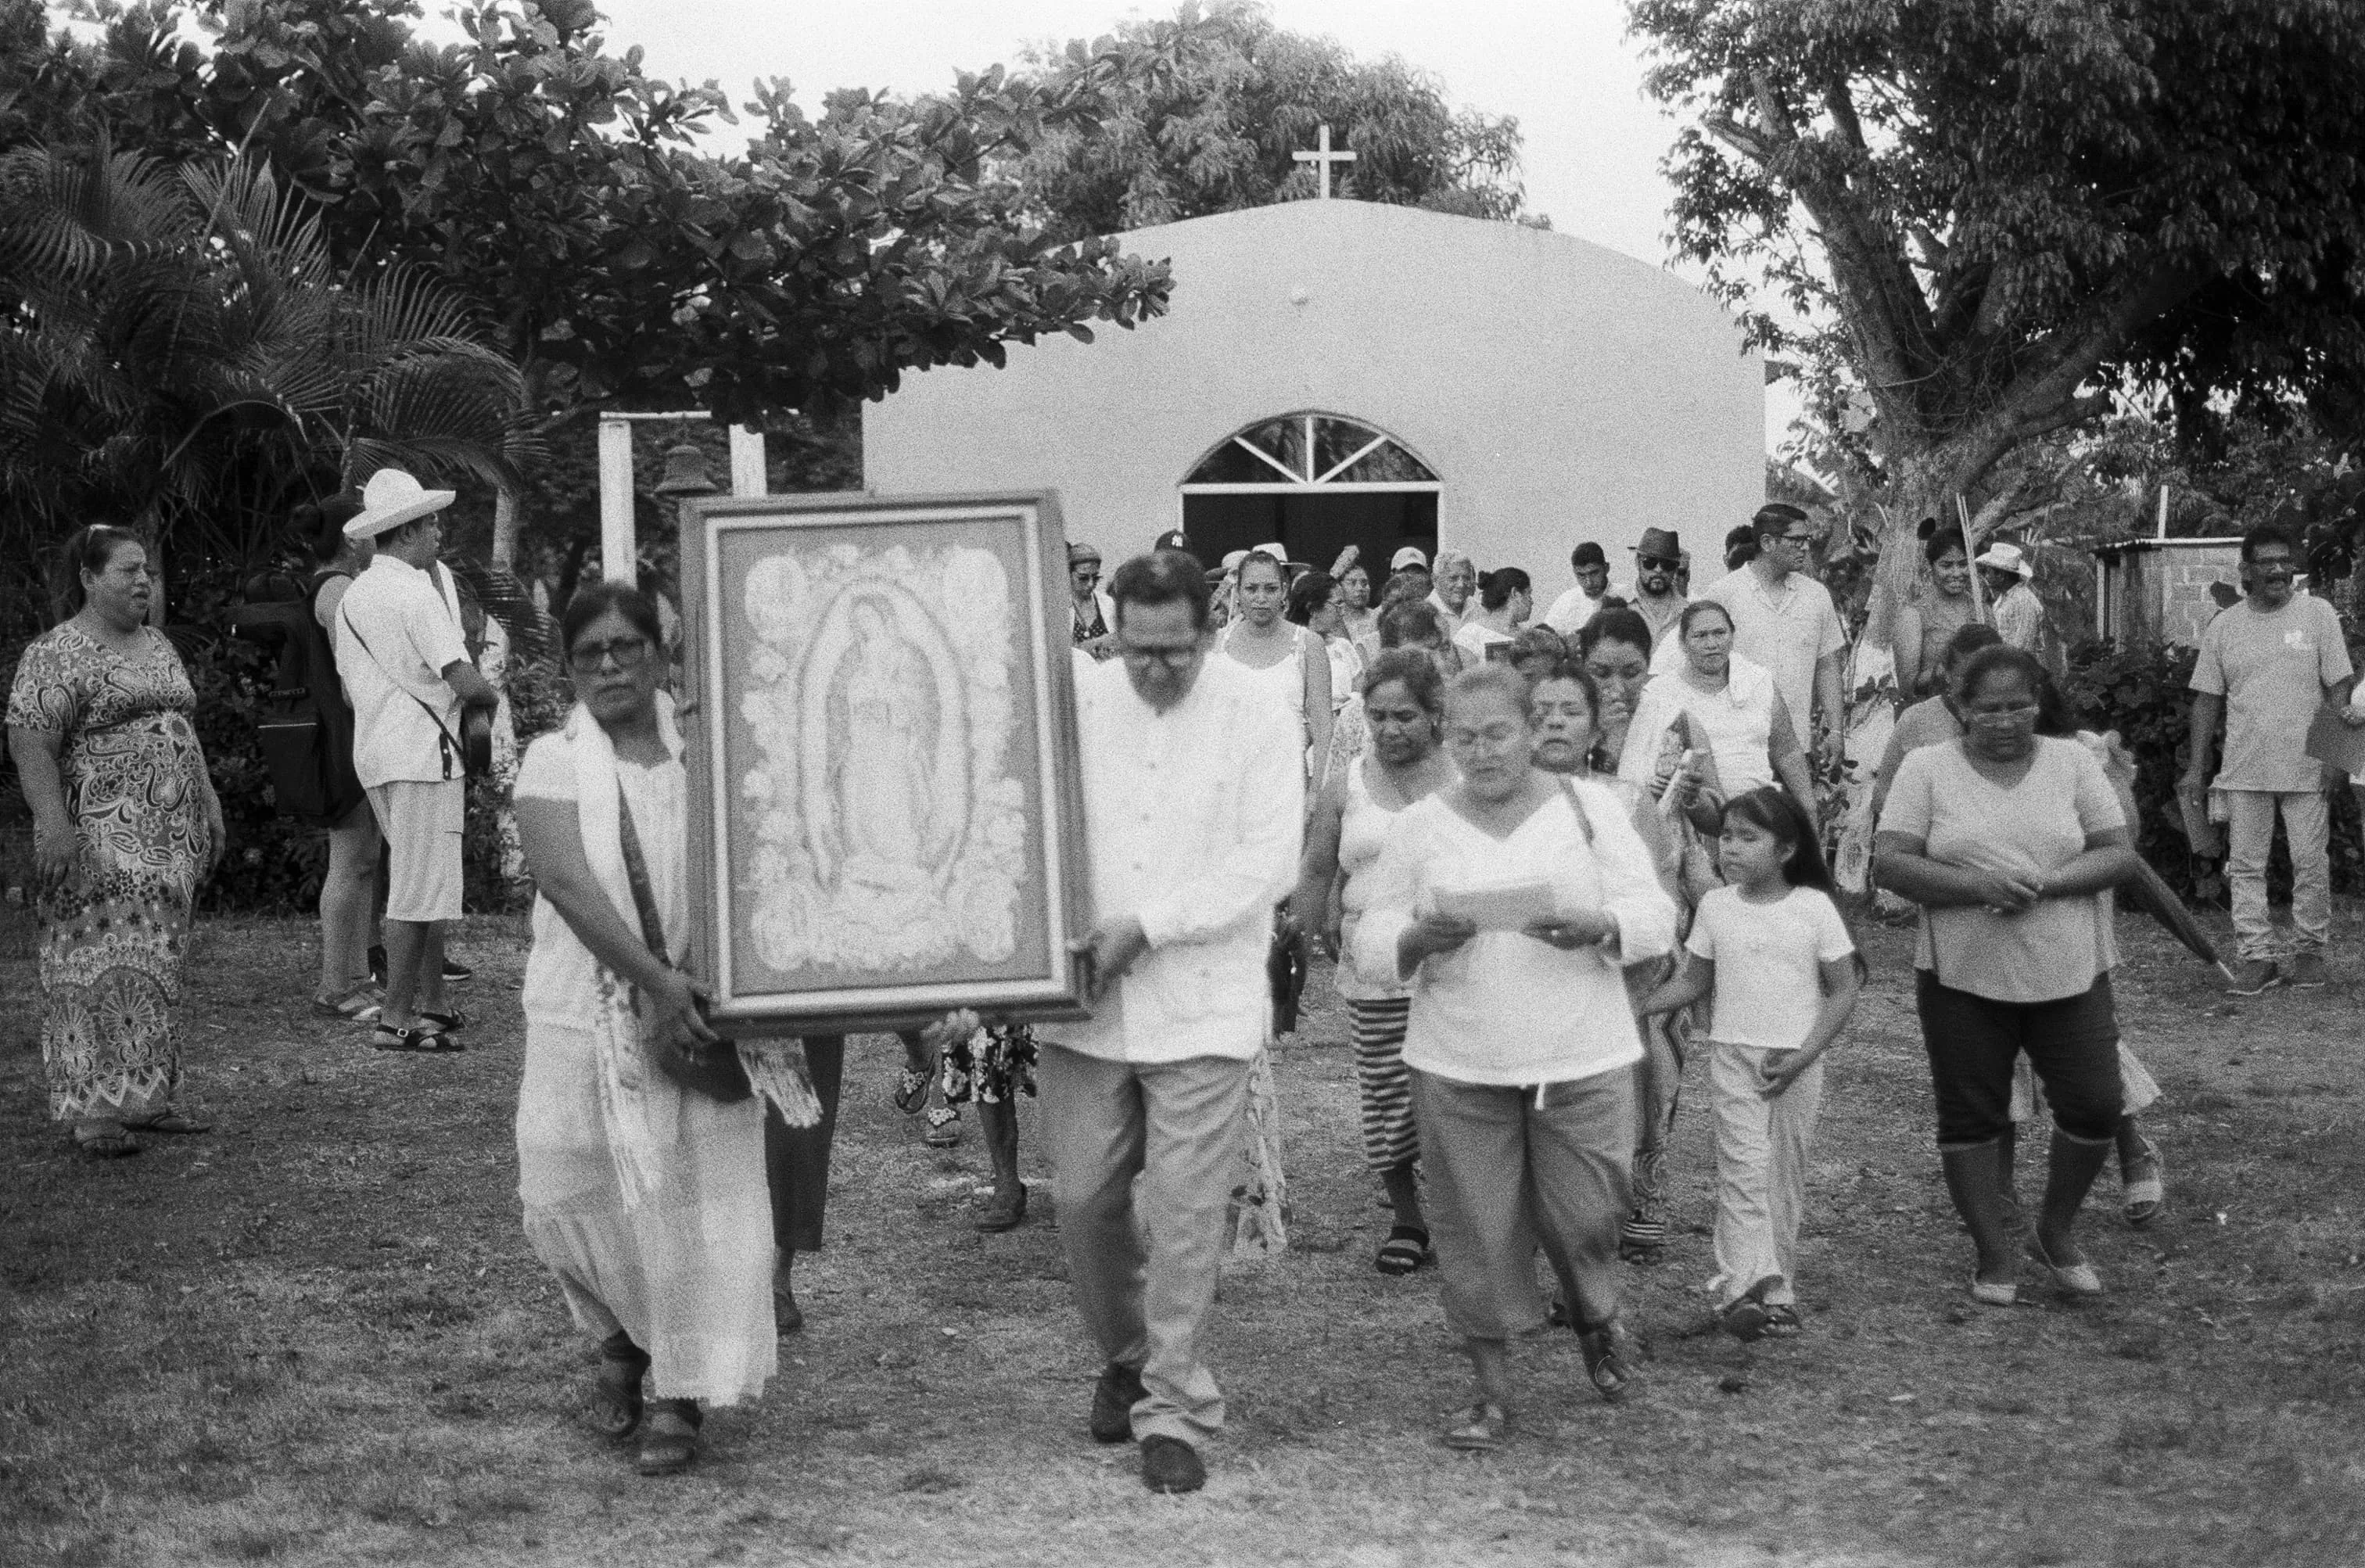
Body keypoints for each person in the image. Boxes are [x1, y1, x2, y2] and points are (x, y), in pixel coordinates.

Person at [1355, 666, 1675, 1449]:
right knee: (1475, 1227)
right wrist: (1415, 938)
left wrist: (1601, 923)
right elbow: (1372, 932)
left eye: (1498, 732)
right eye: (1464, 736)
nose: (1482, 750)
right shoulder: (1420, 825)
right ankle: (1491, 1390)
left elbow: (1655, 912)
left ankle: (1595, 1311)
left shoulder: (1590, 807)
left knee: (1585, 1214)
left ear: (1531, 730)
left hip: (1580, 1050)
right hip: (1459, 1055)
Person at [1045, 550, 1302, 1494]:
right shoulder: (1078, 700)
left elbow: (1269, 860)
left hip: (1204, 1001)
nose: (1155, 669)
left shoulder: (1257, 711)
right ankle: (1126, 1354)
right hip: (1087, 1004)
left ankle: (1173, 1409)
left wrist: (1150, 926)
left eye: (1176, 652)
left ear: (1209, 628)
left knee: (1189, 1217)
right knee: (1083, 1201)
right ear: (1113, 629)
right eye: (1137, 649)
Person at [510, 583, 775, 1476]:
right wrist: (650, 979)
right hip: (583, 1003)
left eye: (627, 647)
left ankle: (680, 1389)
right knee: (564, 1182)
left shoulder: (711, 751)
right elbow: (566, 883)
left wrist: (691, 985)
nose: (611, 665)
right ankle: (620, 1334)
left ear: (660, 656)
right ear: (569, 670)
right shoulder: (553, 760)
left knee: (688, 1195)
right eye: (590, 653)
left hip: (701, 1006)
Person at [1873, 645, 2140, 1305]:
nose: (2005, 720)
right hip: (1962, 974)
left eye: (2019, 705)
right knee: (1971, 1113)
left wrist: (2047, 882)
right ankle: (1993, 1250)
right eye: (1988, 708)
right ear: (1960, 708)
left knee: (2096, 1101)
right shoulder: (1926, 767)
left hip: (2068, 966)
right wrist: (1977, 885)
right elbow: (1892, 862)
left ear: (2038, 703)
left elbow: (2117, 854)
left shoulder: (2073, 761)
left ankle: (2055, 1228)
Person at [9, 525, 225, 1157]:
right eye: (128, 570)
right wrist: (54, 824)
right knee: (96, 963)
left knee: (157, 963)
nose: (143, 582)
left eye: (147, 572)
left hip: (169, 846)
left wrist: (209, 801)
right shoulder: (57, 652)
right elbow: (30, 743)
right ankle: (96, 1113)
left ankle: (147, 1097)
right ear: (88, 577)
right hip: (98, 843)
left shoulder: (158, 643)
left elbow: (181, 725)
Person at [1641, 788, 1861, 1339]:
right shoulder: (1716, 906)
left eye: (1748, 837)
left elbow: (1843, 989)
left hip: (1794, 1061)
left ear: (1785, 849)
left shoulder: (1813, 907)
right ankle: (1742, 1286)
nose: (1731, 848)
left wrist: (1805, 1054)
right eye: (1726, 836)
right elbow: (1694, 981)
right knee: (1741, 1169)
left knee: (1782, 1172)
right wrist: (1634, 1004)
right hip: (1732, 1056)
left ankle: (1778, 1290)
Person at [1525, 656, 1692, 1265]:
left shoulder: (1626, 801)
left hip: (1617, 978)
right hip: (1528, 983)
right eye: (1541, 712)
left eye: (1570, 711)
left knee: (1609, 1110)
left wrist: (1607, 931)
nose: (1555, 723)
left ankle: (1627, 1209)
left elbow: (1659, 905)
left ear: (1596, 727)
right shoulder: (1495, 803)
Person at [1294, 651, 1457, 1276]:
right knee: (1388, 1092)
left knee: (1459, 1092)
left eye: (1404, 716)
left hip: (1453, 961)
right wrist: (1295, 947)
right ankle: (1408, 1218)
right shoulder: (1347, 785)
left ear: (1435, 714)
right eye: (1378, 715)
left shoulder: (1465, 777)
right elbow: (1316, 869)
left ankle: (1476, 1216)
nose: (1390, 728)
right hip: (1372, 966)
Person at [332, 468, 500, 1053]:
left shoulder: (354, 597)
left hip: (377, 751)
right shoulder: (416, 593)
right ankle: (396, 1018)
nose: (438, 533)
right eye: (431, 523)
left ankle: (431, 1003)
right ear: (405, 530)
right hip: (426, 754)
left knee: (418, 881)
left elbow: (349, 690)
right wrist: (491, 700)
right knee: (416, 891)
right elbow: (463, 679)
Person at [2183, 524, 2360, 993]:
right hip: (2245, 768)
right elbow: (2207, 700)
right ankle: (2256, 956)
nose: (2279, 570)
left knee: (2310, 862)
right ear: (2246, 570)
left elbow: (2339, 686)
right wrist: (2196, 768)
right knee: (2245, 866)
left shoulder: (2318, 614)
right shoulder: (2225, 626)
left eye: (2286, 561)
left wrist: (2336, 756)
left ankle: (2310, 953)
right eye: (2267, 562)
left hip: (2308, 766)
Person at [1665, 504, 1845, 775]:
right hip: (1736, 749)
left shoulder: (1816, 596)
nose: (1806, 548)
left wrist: (1836, 730)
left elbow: (1827, 666)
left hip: (1797, 750)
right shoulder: (1723, 594)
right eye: (1797, 540)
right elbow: (1692, 664)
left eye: (1806, 540)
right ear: (1768, 543)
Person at [296, 499, 386, 1024]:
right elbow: (354, 682)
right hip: (343, 738)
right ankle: (334, 986)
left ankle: (356, 978)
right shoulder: (339, 591)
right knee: (350, 859)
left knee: (364, 858)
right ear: (352, 537)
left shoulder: (337, 587)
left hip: (351, 735)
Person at [1624, 601, 1817, 813]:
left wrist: (1810, 813)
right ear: (1682, 642)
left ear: (1732, 636)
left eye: (1719, 633)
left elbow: (1788, 753)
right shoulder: (1658, 693)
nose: (1712, 644)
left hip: (1759, 814)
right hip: (1691, 814)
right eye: (1700, 636)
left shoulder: (1759, 683)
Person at [1217, 547, 1333, 784]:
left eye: (1270, 589)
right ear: (1238, 591)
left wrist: (1316, 791)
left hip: (1287, 781)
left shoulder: (1308, 644)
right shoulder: (1217, 644)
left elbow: (1323, 728)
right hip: (1228, 782)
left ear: (1284, 591)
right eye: (1251, 589)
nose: (1261, 598)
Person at [1892, 523, 1979, 699]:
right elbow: (1908, 688)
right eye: (1946, 566)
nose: (1957, 573)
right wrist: (1950, 666)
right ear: (1930, 566)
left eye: (1963, 564)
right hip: (1934, 709)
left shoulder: (1981, 609)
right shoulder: (1913, 615)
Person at [1286, 569, 1360, 714]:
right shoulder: (1289, 650)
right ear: (1313, 609)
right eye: (1338, 604)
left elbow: (1361, 689)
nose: (1343, 611)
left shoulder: (1344, 646)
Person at [1618, 528, 1689, 652]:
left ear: (1675, 568)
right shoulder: (1616, 605)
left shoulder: (1688, 611)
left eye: (1667, 564)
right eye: (1650, 562)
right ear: (1637, 562)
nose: (1658, 570)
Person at [1975, 542, 2047, 655]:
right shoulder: (2004, 597)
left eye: (1989, 572)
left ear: (2001, 575)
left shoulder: (2023, 601)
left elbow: (2021, 646)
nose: (1986, 577)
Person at [1453, 567, 1531, 663]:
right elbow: (1462, 672)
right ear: (1515, 593)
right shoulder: (1470, 634)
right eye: (1528, 594)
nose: (1531, 601)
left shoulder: (1528, 636)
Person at [1542, 542, 1613, 636]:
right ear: (1575, 573)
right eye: (1581, 575)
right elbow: (1545, 639)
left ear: (1606, 568)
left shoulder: (1628, 596)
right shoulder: (1565, 602)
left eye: (1594, 573)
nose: (1589, 582)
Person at [1068, 542, 1117, 659]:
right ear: (1068, 575)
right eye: (1083, 578)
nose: (1091, 584)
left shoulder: (1108, 603)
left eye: (1095, 578)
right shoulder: (1059, 606)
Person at [1427, 551, 1476, 635]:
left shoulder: (1479, 609)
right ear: (1435, 580)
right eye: (1453, 578)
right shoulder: (1423, 615)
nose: (1461, 585)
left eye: (1466, 578)